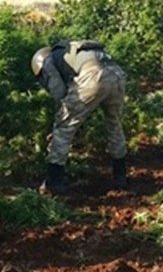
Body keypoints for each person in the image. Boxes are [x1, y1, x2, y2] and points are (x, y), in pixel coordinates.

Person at [31, 40, 128, 194]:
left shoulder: (47, 61)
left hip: (93, 76)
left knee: (63, 128)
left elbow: (59, 93)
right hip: (117, 74)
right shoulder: (69, 51)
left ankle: (54, 183)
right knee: (114, 124)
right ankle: (120, 176)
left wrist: (63, 118)